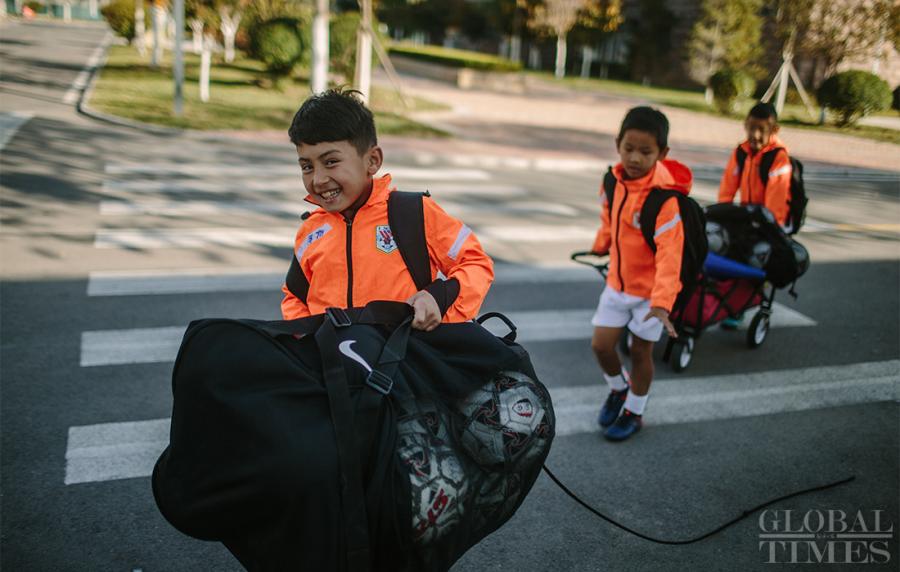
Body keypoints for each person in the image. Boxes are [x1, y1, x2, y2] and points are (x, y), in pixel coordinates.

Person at [280, 88, 494, 330]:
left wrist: (437, 298)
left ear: (372, 161)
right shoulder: (310, 231)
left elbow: (476, 263)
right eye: (307, 166)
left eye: (331, 162)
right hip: (332, 364)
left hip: (402, 360)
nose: (318, 179)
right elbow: (295, 297)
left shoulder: (413, 213)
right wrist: (306, 337)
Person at [589, 106, 691, 441]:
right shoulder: (612, 181)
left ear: (663, 153)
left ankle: (634, 410)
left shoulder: (664, 202)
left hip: (650, 296)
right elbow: (609, 219)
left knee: (639, 352)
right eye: (628, 148)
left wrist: (662, 302)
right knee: (601, 346)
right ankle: (618, 389)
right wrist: (601, 244)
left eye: (645, 152)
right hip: (617, 285)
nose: (634, 158)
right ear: (618, 143)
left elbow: (670, 257)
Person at [717, 101, 793, 328]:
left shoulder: (778, 157)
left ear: (775, 130)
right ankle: (734, 302)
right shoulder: (740, 152)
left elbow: (775, 203)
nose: (755, 134)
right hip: (747, 216)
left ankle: (746, 302)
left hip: (771, 221)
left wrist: (767, 227)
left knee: (755, 258)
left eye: (762, 129)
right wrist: (723, 217)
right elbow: (727, 188)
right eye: (751, 127)